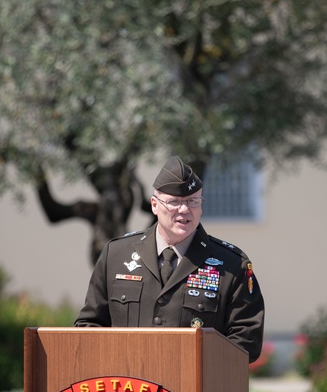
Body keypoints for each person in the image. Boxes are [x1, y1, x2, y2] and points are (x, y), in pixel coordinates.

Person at [75, 155, 265, 361]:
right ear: (154, 205)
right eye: (174, 202)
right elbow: (89, 327)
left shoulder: (231, 264)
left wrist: (190, 365)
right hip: (128, 386)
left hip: (195, 388)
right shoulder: (116, 255)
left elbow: (246, 342)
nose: (184, 210)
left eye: (193, 201)